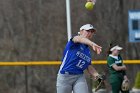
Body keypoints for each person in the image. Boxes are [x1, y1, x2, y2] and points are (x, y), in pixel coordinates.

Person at [56, 24, 102, 93]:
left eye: (92, 32)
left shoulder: (87, 50)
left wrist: (97, 76)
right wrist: (92, 44)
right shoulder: (74, 41)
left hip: (79, 76)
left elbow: (89, 66)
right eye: (88, 31)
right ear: (81, 31)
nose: (90, 33)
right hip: (65, 76)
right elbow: (79, 39)